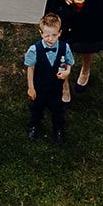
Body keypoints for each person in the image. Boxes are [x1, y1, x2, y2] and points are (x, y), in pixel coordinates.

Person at [23, 12, 74, 144]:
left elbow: (69, 62)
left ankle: (58, 129)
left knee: (57, 108)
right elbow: (30, 68)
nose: (51, 39)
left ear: (60, 33)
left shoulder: (64, 47)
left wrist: (67, 72)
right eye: (47, 35)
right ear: (41, 33)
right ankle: (34, 125)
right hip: (39, 85)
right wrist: (31, 87)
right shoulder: (34, 49)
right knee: (36, 107)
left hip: (56, 86)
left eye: (54, 35)